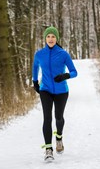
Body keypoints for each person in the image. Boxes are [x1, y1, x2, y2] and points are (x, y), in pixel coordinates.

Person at [32, 26, 78, 161]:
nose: (50, 39)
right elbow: (35, 68)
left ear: (56, 38)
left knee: (58, 117)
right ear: (45, 38)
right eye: (48, 36)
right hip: (45, 89)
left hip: (61, 91)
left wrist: (65, 76)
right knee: (47, 118)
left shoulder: (63, 54)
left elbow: (74, 72)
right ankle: (48, 149)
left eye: (53, 36)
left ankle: (59, 137)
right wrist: (35, 82)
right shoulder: (39, 54)